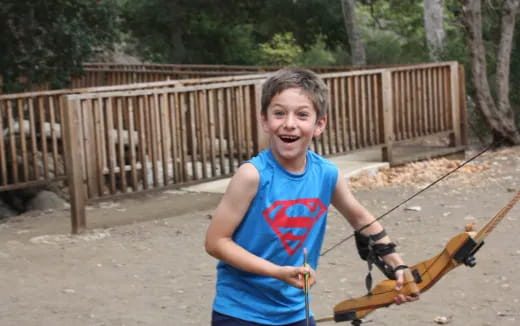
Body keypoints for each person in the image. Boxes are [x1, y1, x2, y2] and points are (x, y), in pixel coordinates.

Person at [205, 67, 418, 326]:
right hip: (240, 313)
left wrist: (397, 264)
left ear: (319, 124)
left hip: (296, 311)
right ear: (264, 120)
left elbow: (359, 216)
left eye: (302, 115)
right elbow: (216, 242)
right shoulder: (252, 175)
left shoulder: (326, 173)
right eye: (279, 113)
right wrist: (277, 272)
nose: (289, 123)